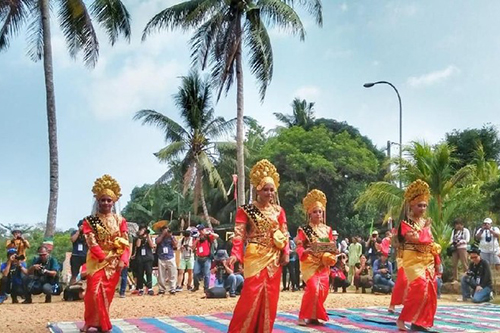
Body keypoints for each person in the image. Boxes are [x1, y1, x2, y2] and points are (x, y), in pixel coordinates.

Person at [228, 159, 289, 333]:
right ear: (258, 190)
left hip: (274, 258)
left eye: (271, 190)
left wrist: (286, 251)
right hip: (255, 255)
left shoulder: (279, 211)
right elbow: (239, 234)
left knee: (270, 296)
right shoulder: (246, 210)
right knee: (250, 295)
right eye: (265, 189)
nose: (269, 193)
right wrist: (236, 254)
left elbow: (284, 233)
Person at [81, 174, 130, 332]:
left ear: (113, 201)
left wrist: (123, 259)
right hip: (97, 261)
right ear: (98, 201)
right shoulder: (90, 221)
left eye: (109, 200)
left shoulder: (120, 220)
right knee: (92, 293)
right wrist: (103, 257)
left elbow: (125, 242)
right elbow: (91, 242)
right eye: (103, 200)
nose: (106, 203)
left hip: (115, 261)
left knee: (106, 294)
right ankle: (90, 321)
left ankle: (102, 323)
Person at [396, 179, 441, 332]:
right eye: (419, 205)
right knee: (419, 287)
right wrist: (427, 230)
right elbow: (416, 239)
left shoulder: (424, 222)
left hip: (427, 260)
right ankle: (402, 319)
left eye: (424, 205)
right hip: (413, 260)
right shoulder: (406, 223)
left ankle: (419, 322)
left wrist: (436, 258)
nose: (422, 208)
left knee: (430, 290)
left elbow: (430, 242)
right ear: (411, 206)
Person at [296, 189, 337, 326]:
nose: (318, 214)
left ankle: (314, 316)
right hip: (310, 263)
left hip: (323, 264)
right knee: (313, 288)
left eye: (320, 211)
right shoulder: (304, 230)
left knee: (323, 290)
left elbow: (331, 245)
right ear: (309, 213)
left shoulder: (328, 229)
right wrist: (305, 251)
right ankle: (302, 315)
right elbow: (299, 246)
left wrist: (332, 253)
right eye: (315, 211)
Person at [192, 225, 219, 292]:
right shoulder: (197, 238)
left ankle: (206, 288)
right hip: (198, 258)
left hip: (207, 258)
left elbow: (217, 236)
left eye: (201, 230)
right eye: (199, 230)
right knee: (195, 273)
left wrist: (209, 233)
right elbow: (192, 248)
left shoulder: (208, 237)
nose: (200, 232)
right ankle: (196, 286)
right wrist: (196, 241)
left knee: (207, 274)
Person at [155, 226, 178, 295]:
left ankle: (172, 288)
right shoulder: (159, 237)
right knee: (161, 275)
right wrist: (163, 235)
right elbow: (157, 242)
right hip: (161, 257)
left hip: (170, 257)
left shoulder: (171, 237)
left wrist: (170, 236)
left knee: (172, 274)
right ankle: (161, 289)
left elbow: (175, 244)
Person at [135, 224, 155, 296]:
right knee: (140, 274)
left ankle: (150, 288)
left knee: (149, 273)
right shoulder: (137, 237)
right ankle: (140, 289)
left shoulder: (149, 237)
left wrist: (148, 236)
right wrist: (140, 236)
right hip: (140, 258)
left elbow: (152, 246)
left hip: (148, 257)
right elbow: (138, 245)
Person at [70, 220, 88, 285]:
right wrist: (79, 231)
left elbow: (91, 244)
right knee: (74, 275)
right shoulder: (75, 232)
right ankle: (70, 290)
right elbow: (72, 240)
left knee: (88, 273)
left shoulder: (88, 233)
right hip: (76, 256)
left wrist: (86, 234)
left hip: (85, 256)